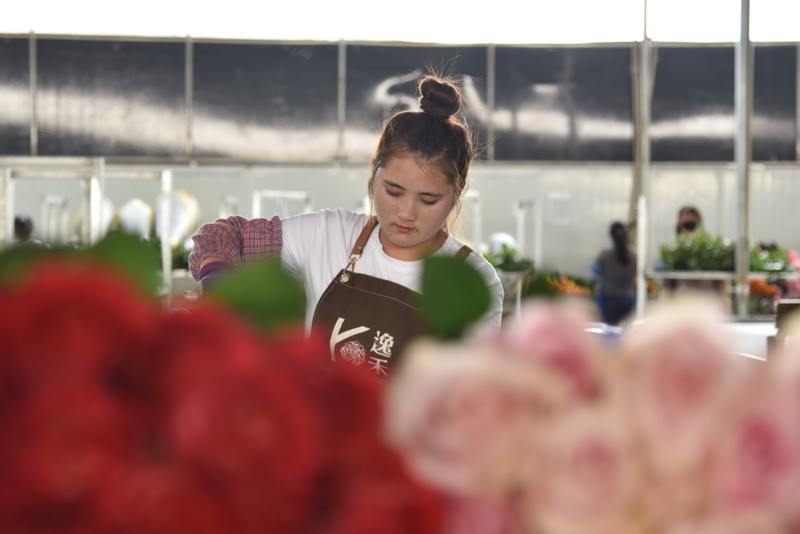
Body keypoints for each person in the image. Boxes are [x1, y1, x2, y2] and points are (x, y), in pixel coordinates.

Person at [189, 75, 504, 376]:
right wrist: (218, 288)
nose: (406, 212)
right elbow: (225, 236)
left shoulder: (473, 280)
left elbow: (465, 395)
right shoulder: (330, 235)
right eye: (393, 191)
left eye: (428, 200)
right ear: (373, 174)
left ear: (456, 193)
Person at [592, 222, 636, 325]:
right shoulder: (634, 255)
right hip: (628, 298)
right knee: (627, 332)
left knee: (609, 333)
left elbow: (594, 272)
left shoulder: (604, 255)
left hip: (609, 298)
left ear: (610, 236)